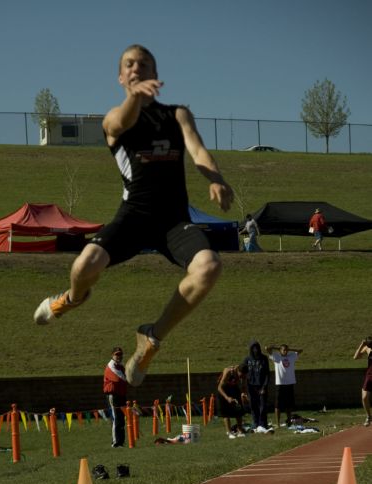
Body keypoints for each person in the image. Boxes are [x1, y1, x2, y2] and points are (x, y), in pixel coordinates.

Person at [34, 43, 234, 387]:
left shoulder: (178, 115)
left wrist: (215, 179)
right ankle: (70, 299)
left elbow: (198, 149)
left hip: (174, 220)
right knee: (83, 266)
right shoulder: (115, 118)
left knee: (210, 267)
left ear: (156, 75)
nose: (136, 68)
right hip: (133, 217)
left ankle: (151, 340)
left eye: (144, 64)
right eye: (129, 64)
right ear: (120, 76)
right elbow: (122, 121)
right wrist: (135, 99)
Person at [266, 343, 303, 427]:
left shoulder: (291, 356)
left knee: (289, 404)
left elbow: (301, 350)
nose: (285, 351)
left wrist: (289, 349)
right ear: (280, 350)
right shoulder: (276, 357)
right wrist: (278, 347)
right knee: (278, 404)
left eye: (286, 350)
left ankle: (289, 421)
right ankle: (278, 423)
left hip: (289, 383)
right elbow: (267, 348)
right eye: (283, 350)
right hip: (280, 383)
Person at [240, 341, 271, 432]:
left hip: (261, 385)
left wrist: (264, 386)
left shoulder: (264, 358)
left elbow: (267, 374)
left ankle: (263, 423)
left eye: (257, 348)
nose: (255, 350)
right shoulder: (247, 359)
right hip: (251, 386)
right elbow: (242, 372)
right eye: (253, 348)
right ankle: (255, 422)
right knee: (253, 405)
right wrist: (244, 387)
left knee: (262, 405)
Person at [103, 345, 128, 446]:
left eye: (120, 354)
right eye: (117, 354)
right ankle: (115, 442)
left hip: (121, 394)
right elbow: (120, 378)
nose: (119, 356)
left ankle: (121, 442)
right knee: (116, 418)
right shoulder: (111, 366)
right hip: (113, 395)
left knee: (121, 419)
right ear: (112, 355)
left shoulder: (121, 366)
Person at [217, 365, 248, 438]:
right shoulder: (228, 372)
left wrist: (244, 394)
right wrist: (227, 398)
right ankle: (229, 432)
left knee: (239, 409)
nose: (241, 377)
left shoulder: (243, 375)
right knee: (226, 412)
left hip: (234, 388)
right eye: (241, 375)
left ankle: (240, 431)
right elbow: (219, 387)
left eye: (243, 376)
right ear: (238, 371)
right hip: (223, 390)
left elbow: (243, 386)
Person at [353, 337, 372, 426]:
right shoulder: (367, 348)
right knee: (364, 397)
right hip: (369, 376)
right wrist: (362, 344)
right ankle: (369, 416)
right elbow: (355, 357)